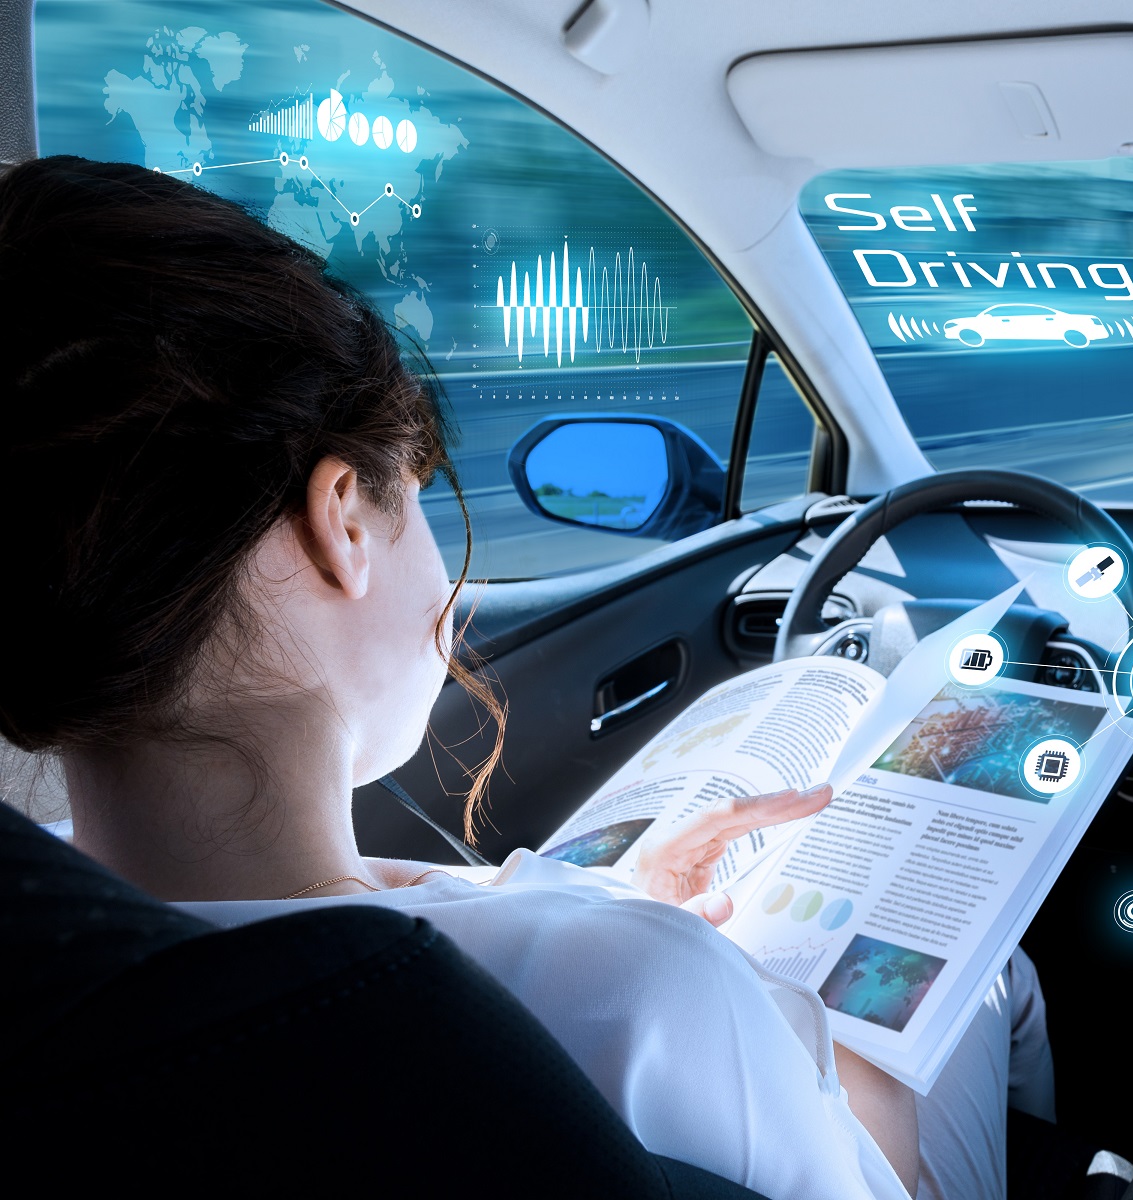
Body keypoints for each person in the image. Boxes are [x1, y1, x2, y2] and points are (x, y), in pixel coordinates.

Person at [0, 156, 1053, 1200]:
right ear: (342, 523)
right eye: (413, 491)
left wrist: (612, 907)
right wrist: (822, 1020)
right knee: (992, 984)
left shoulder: (43, 942)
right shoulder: (649, 998)